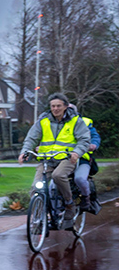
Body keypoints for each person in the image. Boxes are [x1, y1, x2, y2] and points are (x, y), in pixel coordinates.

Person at [19, 93, 90, 229]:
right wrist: (24, 152)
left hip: (66, 158)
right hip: (47, 159)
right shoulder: (43, 121)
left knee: (58, 176)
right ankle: (39, 217)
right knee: (36, 188)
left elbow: (84, 140)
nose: (55, 108)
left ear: (65, 107)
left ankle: (70, 204)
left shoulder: (76, 121)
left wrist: (76, 152)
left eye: (58, 106)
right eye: (53, 106)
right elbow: (31, 138)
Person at [74, 114, 100, 212]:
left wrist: (93, 145)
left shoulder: (85, 122)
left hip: (82, 159)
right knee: (53, 183)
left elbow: (94, 136)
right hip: (63, 159)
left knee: (80, 178)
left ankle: (86, 198)